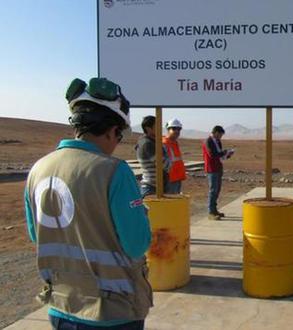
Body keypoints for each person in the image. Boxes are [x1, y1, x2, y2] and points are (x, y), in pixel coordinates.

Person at [24, 78, 153, 329]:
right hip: (112, 311)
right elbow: (137, 245)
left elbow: (35, 234)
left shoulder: (38, 169)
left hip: (61, 307)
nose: (117, 143)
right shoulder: (114, 171)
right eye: (120, 135)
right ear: (110, 130)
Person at [202, 125, 234, 220]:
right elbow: (212, 154)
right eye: (220, 135)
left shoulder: (218, 141)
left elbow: (219, 155)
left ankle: (215, 210)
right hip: (211, 169)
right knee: (213, 190)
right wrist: (224, 152)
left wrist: (227, 155)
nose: (221, 137)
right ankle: (211, 212)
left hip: (218, 167)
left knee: (217, 190)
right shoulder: (208, 141)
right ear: (216, 132)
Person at [135, 116, 171, 197]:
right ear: (148, 129)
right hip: (151, 188)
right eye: (157, 126)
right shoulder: (148, 144)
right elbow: (166, 165)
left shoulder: (153, 142)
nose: (160, 129)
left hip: (156, 187)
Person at [163, 118, 187, 194]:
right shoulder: (164, 143)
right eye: (174, 129)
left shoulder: (175, 143)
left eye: (179, 129)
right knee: (170, 202)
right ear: (168, 129)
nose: (177, 131)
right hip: (170, 178)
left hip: (177, 177)